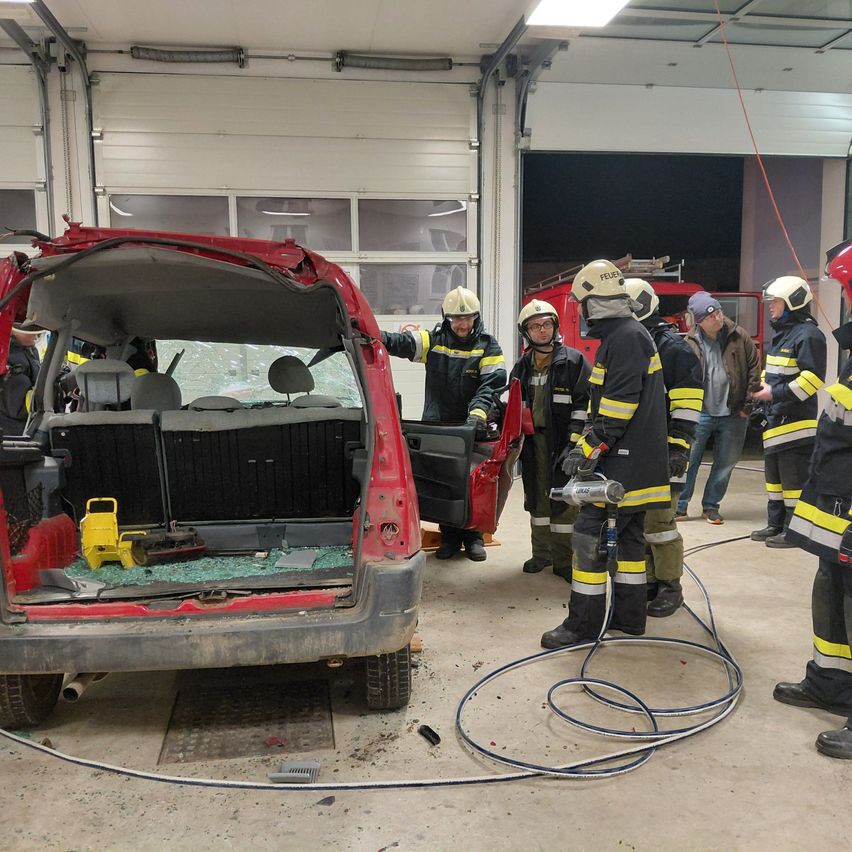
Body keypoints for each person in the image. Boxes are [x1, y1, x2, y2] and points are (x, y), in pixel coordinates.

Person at [540, 260, 670, 649]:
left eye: (581, 303)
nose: (579, 312)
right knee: (628, 542)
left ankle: (582, 625)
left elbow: (616, 409)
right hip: (636, 464)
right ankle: (629, 619)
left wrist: (586, 451)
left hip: (622, 466)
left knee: (588, 537)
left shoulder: (626, 338)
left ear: (593, 304)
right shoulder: (628, 334)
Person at [774, 239, 852, 759]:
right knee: (832, 584)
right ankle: (830, 682)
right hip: (838, 488)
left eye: (846, 287)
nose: (844, 296)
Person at [381, 286, 506, 561]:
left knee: (472, 484)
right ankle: (448, 538)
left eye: (467, 318)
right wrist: (372, 334)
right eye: (456, 319)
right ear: (447, 318)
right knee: (444, 482)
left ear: (476, 317)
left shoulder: (488, 345)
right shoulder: (434, 340)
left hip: (473, 426)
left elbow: (492, 384)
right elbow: (400, 343)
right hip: (440, 426)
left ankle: (473, 538)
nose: (462, 324)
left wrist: (477, 415)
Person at [624, 279, 704, 617]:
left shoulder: (673, 349)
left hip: (665, 451)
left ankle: (672, 587)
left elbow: (686, 405)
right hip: (638, 450)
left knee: (660, 523)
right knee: (640, 521)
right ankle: (652, 581)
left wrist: (677, 448)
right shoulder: (635, 343)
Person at [509, 299, 590, 582]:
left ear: (554, 327)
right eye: (535, 326)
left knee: (563, 501)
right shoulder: (521, 366)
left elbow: (585, 405)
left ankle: (563, 561)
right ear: (526, 332)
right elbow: (514, 406)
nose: (541, 331)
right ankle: (540, 554)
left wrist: (574, 443)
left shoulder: (574, 361)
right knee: (536, 499)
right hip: (533, 443)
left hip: (562, 442)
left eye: (546, 324)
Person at [750, 276, 826, 548]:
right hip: (775, 420)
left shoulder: (808, 335)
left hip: (795, 424)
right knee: (775, 480)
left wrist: (774, 393)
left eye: (776, 302)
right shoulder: (785, 333)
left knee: (794, 482)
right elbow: (775, 372)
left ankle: (794, 531)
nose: (771, 307)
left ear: (792, 302)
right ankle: (776, 524)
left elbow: (813, 380)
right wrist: (759, 387)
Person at [676, 292, 760, 524]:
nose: (718, 317)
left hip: (734, 413)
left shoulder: (739, 336)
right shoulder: (689, 343)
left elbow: (754, 369)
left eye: (719, 311)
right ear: (700, 320)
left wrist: (747, 406)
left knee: (725, 464)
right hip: (699, 414)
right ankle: (680, 506)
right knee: (688, 462)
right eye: (711, 315)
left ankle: (711, 506)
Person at [0, 325, 42, 435]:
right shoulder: (6, 355)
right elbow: (20, 406)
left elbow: (37, 379)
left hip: (29, 431)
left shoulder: (30, 349)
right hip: (14, 439)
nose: (36, 334)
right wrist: (58, 390)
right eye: (33, 329)